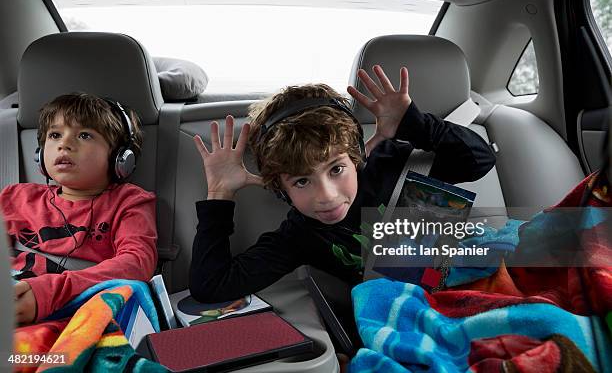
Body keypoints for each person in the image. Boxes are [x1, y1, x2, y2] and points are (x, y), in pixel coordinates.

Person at [189, 65, 496, 302]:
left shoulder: (393, 164)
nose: (326, 196)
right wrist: (220, 194)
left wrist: (414, 124)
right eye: (301, 181)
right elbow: (211, 286)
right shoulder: (301, 234)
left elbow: (478, 159)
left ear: (357, 156)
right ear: (280, 188)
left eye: (336, 169)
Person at [1, 93, 158, 325]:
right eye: (55, 135)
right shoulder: (15, 197)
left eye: (84, 135)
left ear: (121, 158)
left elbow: (136, 263)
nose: (64, 144)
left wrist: (51, 291)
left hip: (77, 310)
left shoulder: (129, 202)